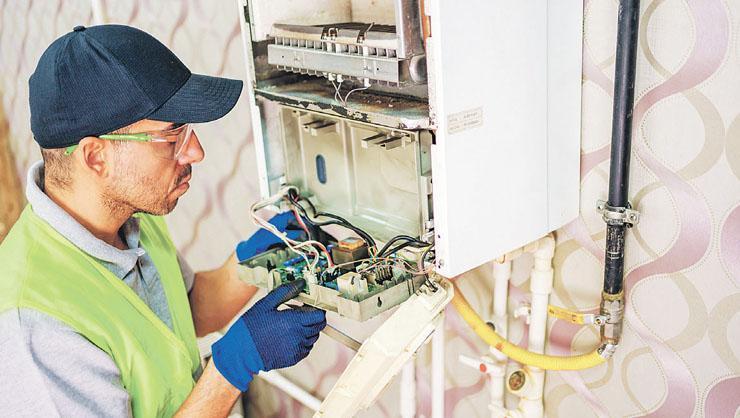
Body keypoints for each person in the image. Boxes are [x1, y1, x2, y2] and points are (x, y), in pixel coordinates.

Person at [0, 24, 326, 417]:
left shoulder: (128, 214)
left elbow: (183, 313)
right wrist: (231, 369)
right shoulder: (35, 327)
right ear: (96, 157)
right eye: (172, 136)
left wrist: (253, 262)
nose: (195, 152)